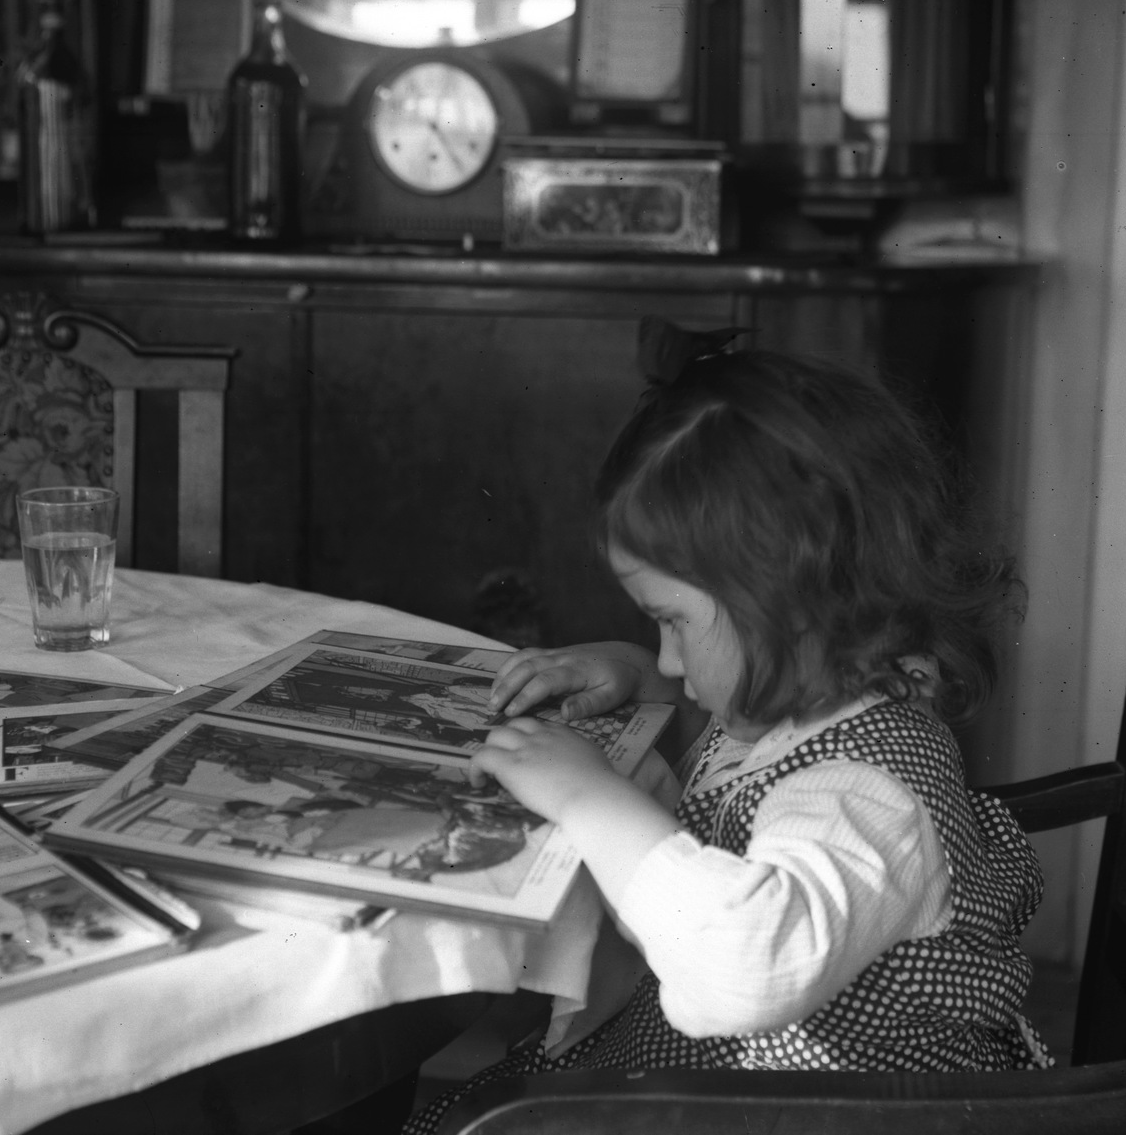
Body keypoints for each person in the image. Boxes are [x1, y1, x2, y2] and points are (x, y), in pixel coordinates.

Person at [403, 351, 1048, 1133]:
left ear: (791, 605)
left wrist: (586, 795)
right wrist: (638, 675)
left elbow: (745, 968)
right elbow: (737, 780)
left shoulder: (867, 792)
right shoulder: (821, 697)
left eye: (672, 622)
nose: (671, 658)